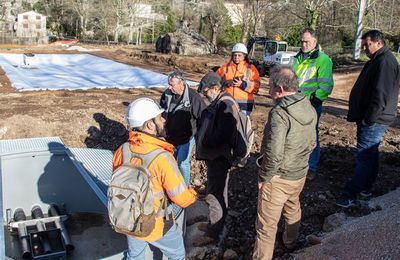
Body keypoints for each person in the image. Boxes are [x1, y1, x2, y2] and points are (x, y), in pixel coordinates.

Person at [112, 98, 197, 259]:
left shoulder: (121, 151)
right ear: (149, 125)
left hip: (128, 218)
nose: (164, 120)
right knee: (177, 255)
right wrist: (194, 194)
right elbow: (182, 199)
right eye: (159, 118)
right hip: (157, 224)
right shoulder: (162, 158)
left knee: (135, 255)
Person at [253, 66, 316, 260]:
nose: (268, 90)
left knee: (266, 227)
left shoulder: (280, 114)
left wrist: (264, 177)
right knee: (292, 208)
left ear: (280, 89)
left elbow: (274, 153)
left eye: (270, 86)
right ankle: (291, 241)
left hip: (279, 178)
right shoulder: (308, 106)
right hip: (299, 173)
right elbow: (313, 141)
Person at [336, 30, 400, 208]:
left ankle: (351, 193)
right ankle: (366, 188)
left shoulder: (385, 62)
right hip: (373, 118)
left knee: (364, 156)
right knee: (370, 155)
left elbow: (381, 94)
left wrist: (369, 119)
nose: (364, 48)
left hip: (375, 119)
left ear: (378, 43)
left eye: (367, 44)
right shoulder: (378, 59)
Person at [195, 71, 239, 245]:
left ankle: (213, 234)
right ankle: (214, 225)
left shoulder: (225, 104)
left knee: (215, 195)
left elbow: (225, 135)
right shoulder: (219, 101)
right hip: (215, 156)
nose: (205, 94)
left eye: (206, 91)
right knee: (214, 191)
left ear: (215, 88)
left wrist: (206, 141)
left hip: (219, 157)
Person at [292, 28, 334, 180]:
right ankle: (297, 163)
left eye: (307, 41)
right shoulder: (296, 58)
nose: (303, 44)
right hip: (295, 102)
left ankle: (312, 166)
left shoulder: (323, 60)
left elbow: (326, 85)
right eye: (302, 41)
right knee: (295, 133)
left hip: (311, 103)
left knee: (311, 135)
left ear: (315, 42)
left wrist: (315, 100)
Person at [160, 71, 206, 185]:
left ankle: (184, 188)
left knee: (182, 163)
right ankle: (172, 185)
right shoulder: (167, 94)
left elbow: (203, 117)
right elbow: (161, 113)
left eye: (172, 84)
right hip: (170, 136)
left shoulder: (193, 97)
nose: (169, 87)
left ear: (182, 84)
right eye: (169, 84)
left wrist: (201, 137)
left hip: (186, 137)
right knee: (170, 162)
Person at [216, 43, 260, 115]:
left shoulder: (251, 69)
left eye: (239, 55)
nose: (236, 57)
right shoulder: (225, 67)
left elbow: (257, 86)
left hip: (244, 103)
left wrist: (243, 84)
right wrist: (224, 83)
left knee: (242, 125)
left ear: (244, 56)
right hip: (227, 101)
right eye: (235, 55)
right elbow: (215, 80)